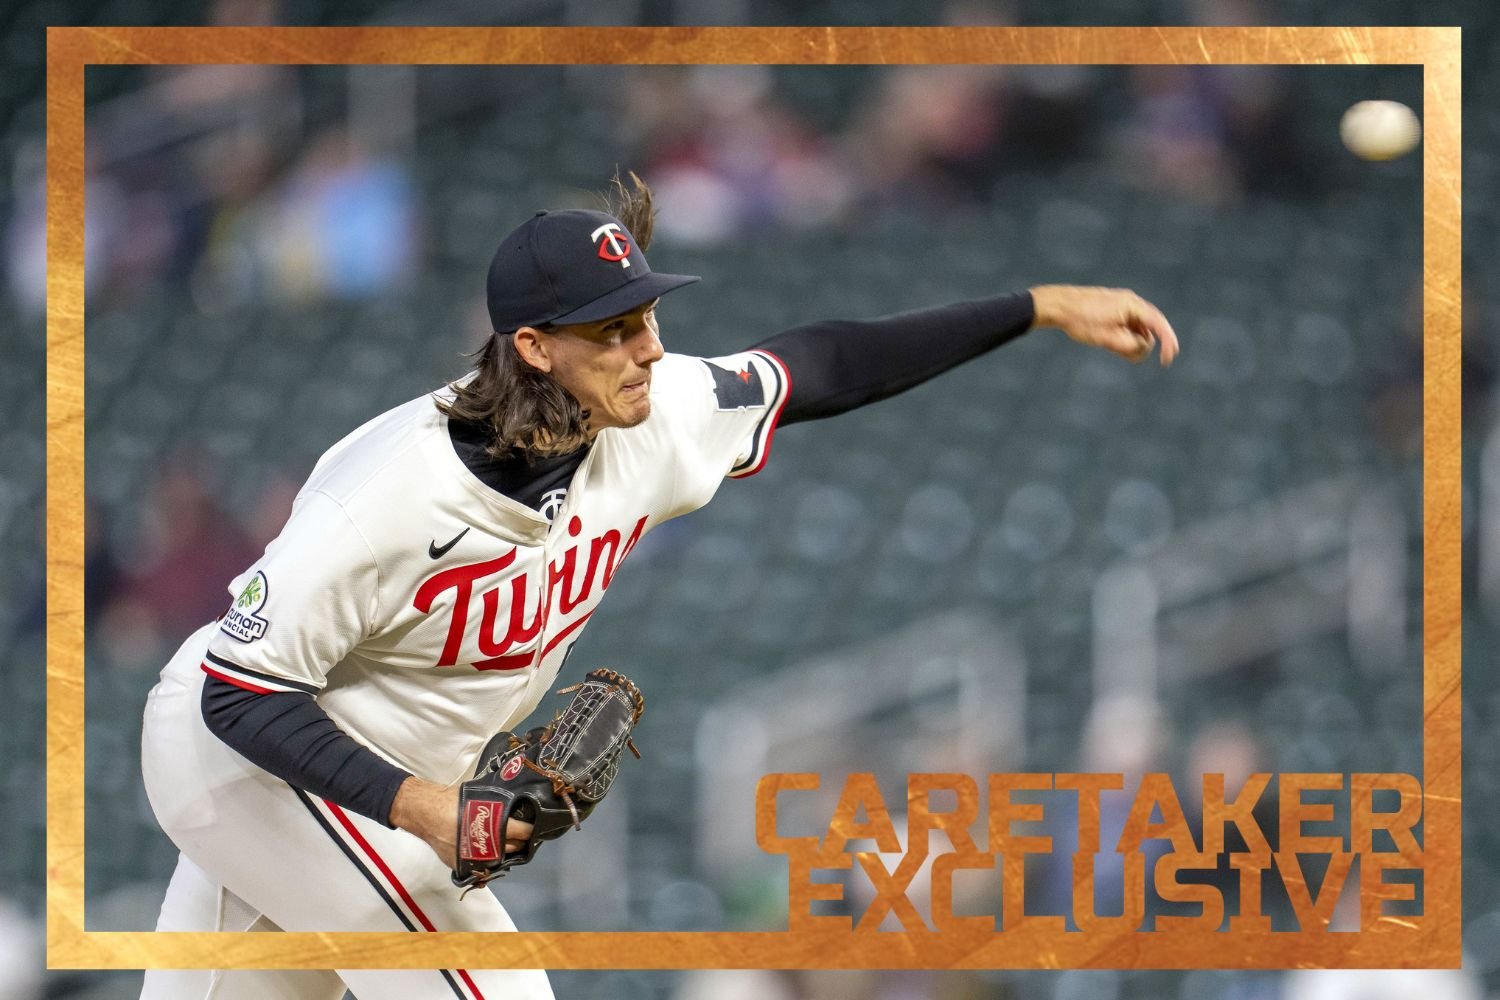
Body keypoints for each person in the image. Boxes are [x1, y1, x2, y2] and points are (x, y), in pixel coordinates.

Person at [139, 173, 1178, 1000]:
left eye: (645, 314)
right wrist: (424, 808)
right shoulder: (390, 495)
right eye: (613, 329)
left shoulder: (651, 411)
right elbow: (241, 692)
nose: (649, 348)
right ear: (534, 348)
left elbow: (821, 364)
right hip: (250, 759)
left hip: (353, 783)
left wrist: (1037, 307)